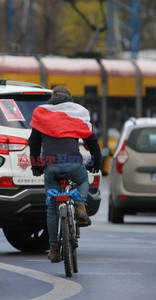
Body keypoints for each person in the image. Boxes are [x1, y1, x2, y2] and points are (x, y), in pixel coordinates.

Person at [28, 85, 101, 263]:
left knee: (52, 208)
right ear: (70, 97)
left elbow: (34, 143)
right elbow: (91, 140)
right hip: (74, 164)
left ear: (52, 97)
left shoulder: (41, 113)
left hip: (51, 165)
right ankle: (81, 205)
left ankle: (54, 250)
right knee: (83, 181)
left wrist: (36, 165)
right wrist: (96, 162)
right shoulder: (77, 113)